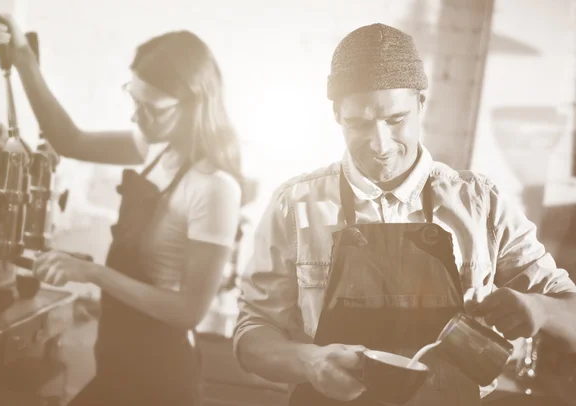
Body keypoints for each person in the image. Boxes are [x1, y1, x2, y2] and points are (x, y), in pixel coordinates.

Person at [233, 23, 576, 406]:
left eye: (396, 120)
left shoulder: (481, 204)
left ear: (421, 104)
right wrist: (309, 361)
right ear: (336, 115)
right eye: (358, 124)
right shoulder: (293, 205)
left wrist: (540, 308)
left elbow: (571, 313)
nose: (380, 145)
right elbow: (252, 334)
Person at [0, 12, 242, 405]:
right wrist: (22, 57)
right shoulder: (156, 147)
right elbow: (68, 139)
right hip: (116, 361)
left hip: (161, 377)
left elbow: (189, 310)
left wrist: (92, 272)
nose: (136, 116)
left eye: (152, 108)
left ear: (195, 104)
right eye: (134, 99)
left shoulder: (214, 187)